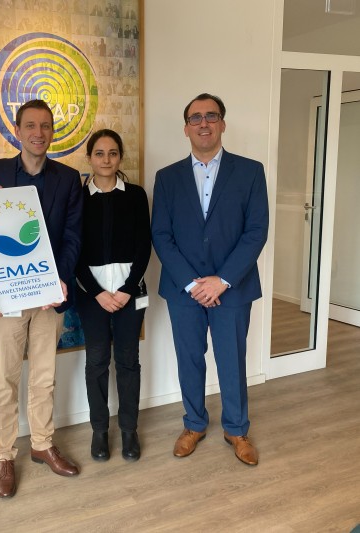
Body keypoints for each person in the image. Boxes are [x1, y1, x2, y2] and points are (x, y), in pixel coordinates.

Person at [0, 99, 83, 498]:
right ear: (17, 130)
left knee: (44, 376)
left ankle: (42, 444)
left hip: (47, 297)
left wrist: (62, 279)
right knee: (5, 378)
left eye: (45, 126)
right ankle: (5, 454)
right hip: (5, 295)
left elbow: (73, 235)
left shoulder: (68, 179)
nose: (38, 133)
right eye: (31, 125)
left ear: (52, 131)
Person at [151, 93, 269, 466]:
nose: (204, 123)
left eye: (211, 116)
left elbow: (256, 231)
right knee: (189, 359)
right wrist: (193, 283)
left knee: (231, 359)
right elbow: (161, 236)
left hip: (232, 288)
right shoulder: (167, 178)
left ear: (222, 124)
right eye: (196, 117)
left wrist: (222, 280)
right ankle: (194, 424)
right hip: (183, 290)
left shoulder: (250, 172)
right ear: (186, 128)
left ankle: (236, 429)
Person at [74, 129, 151, 462]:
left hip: (130, 295)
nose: (106, 159)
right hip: (91, 296)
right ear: (89, 158)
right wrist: (97, 293)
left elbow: (144, 246)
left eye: (113, 153)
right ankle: (100, 431)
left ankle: (129, 430)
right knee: (96, 362)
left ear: (120, 157)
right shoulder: (77, 198)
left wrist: (127, 289)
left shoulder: (136, 195)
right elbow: (73, 252)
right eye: (100, 153)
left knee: (128, 361)